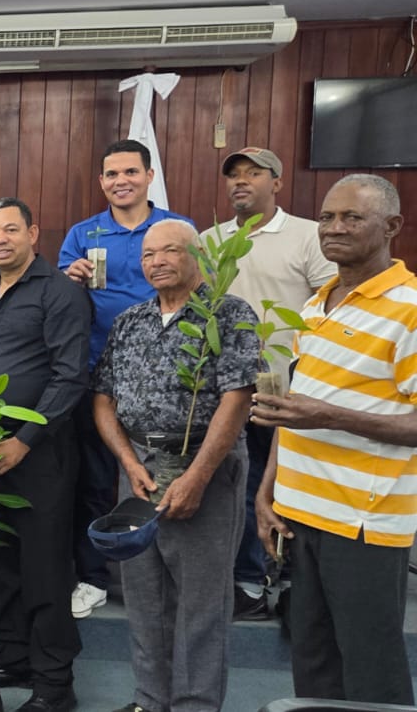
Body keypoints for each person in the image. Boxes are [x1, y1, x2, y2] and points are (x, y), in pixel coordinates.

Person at [255, 174, 416, 704]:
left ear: (392, 226)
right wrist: (269, 489)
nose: (334, 228)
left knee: (370, 667)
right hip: (301, 512)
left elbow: (317, 410)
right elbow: (296, 409)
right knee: (313, 660)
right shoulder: (314, 306)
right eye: (326, 217)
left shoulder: (410, 309)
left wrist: (329, 414)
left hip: (363, 521)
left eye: (352, 218)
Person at [92, 220, 259, 712]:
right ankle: (150, 699)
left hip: (205, 467)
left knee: (201, 603)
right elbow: (103, 398)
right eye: (148, 254)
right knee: (143, 596)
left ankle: (194, 705)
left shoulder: (228, 314)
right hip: (139, 467)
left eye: (169, 251)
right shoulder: (130, 321)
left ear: (199, 257)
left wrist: (198, 476)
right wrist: (127, 460)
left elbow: (237, 397)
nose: (157, 261)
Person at [57, 139, 195, 620]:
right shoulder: (83, 233)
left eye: (130, 172)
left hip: (170, 379)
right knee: (96, 479)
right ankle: (93, 577)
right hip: (98, 372)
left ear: (149, 175)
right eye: (112, 174)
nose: (121, 181)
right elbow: (59, 300)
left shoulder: (176, 229)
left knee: (166, 479)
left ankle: (165, 574)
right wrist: (69, 276)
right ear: (101, 182)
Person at [0, 197, 91, 712]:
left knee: (43, 568)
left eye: (9, 230)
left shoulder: (60, 293)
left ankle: (54, 684)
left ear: (33, 234)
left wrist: (22, 440)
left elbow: (69, 377)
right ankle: (13, 661)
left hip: (40, 454)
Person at [200, 147, 335, 621]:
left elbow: (332, 305)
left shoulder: (307, 235)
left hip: (292, 387)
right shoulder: (211, 240)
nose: (242, 182)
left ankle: (300, 588)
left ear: (277, 182)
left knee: (290, 483)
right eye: (234, 175)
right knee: (240, 482)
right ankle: (249, 584)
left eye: (254, 174)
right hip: (226, 392)